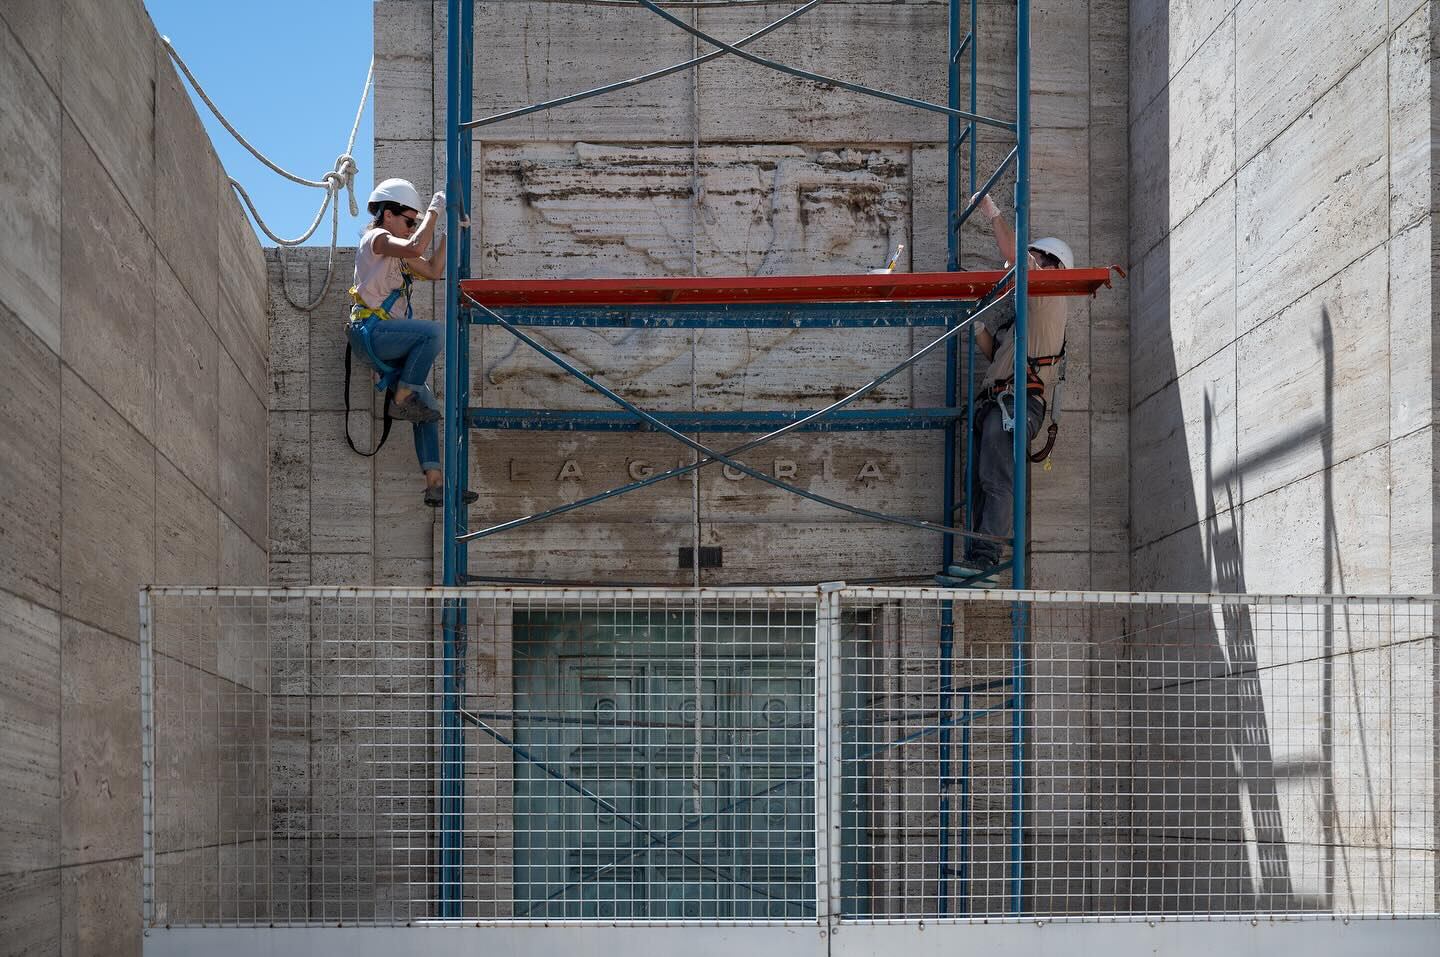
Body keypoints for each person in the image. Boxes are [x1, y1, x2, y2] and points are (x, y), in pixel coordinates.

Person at [957, 192, 1074, 576]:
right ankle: (977, 554)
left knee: (996, 479)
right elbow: (998, 357)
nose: (1026, 263)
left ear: (1051, 264)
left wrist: (992, 212)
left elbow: (1012, 254)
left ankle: (986, 556)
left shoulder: (1048, 290)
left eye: (1033, 257)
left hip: (1018, 404)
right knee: (977, 483)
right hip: (996, 403)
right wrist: (976, 327)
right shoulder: (1026, 315)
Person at [348, 177, 476, 507]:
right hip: (373, 332)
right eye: (409, 221)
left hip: (390, 339)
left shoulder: (399, 253)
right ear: (387, 214)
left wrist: (453, 230)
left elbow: (433, 269)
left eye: (414, 223)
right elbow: (418, 247)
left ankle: (434, 483)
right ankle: (402, 395)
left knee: (428, 408)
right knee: (434, 333)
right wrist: (435, 208)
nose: (411, 227)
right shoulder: (376, 239)